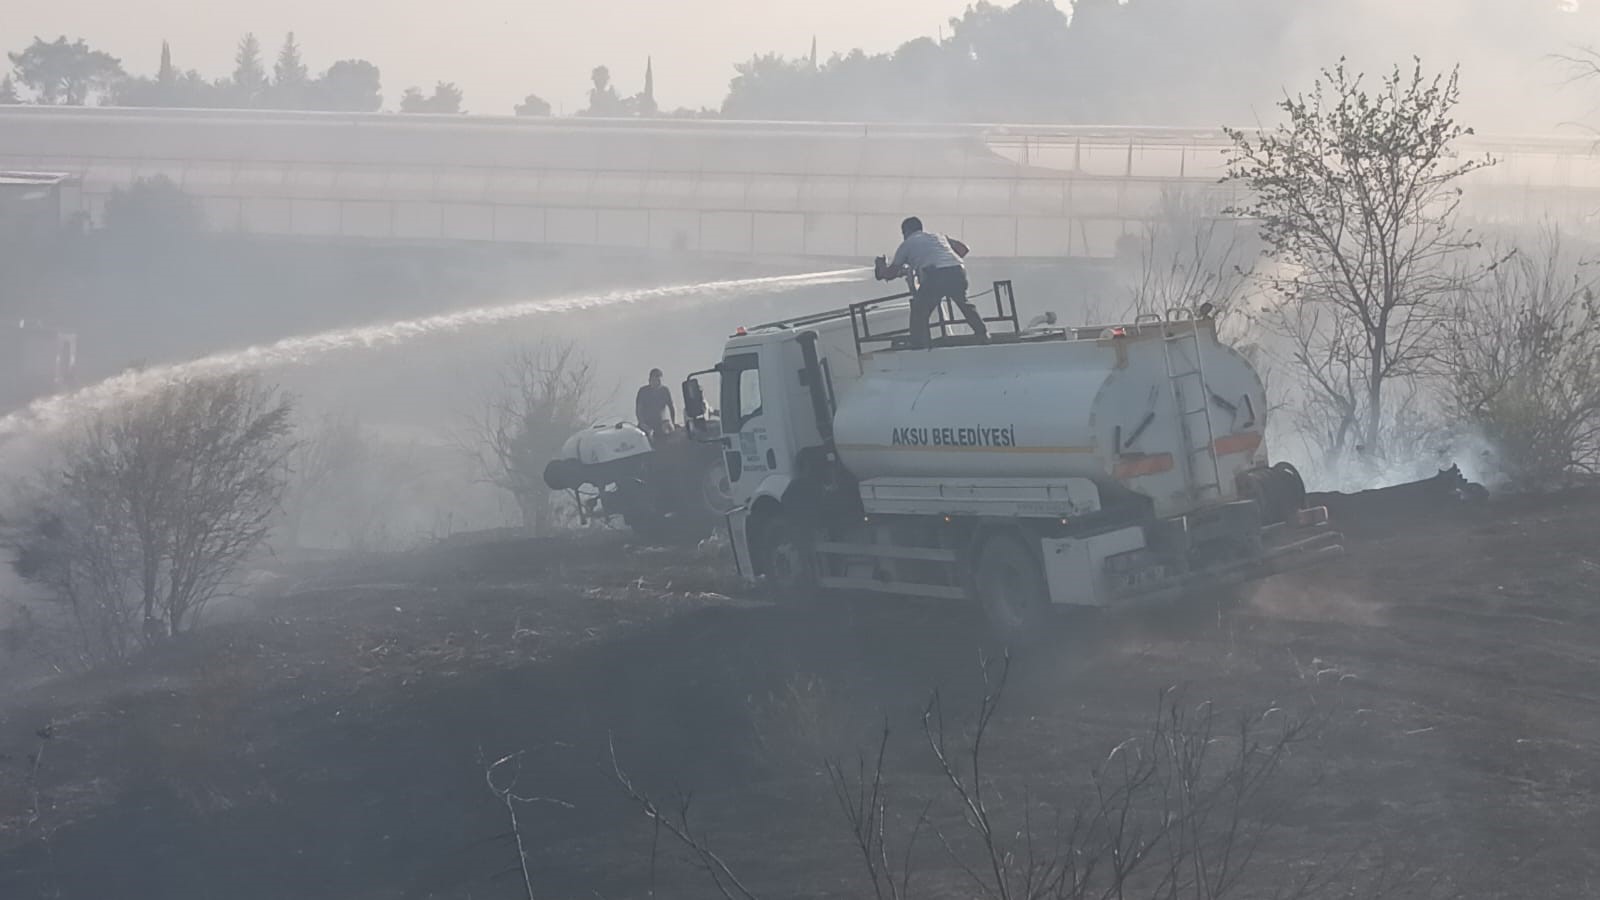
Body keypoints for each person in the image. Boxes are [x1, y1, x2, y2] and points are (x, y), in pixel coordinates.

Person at [875, 216, 989, 349]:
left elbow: (891, 273)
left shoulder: (907, 244)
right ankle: (983, 334)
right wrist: (947, 261)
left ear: (905, 232)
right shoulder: (937, 237)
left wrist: (881, 267)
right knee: (964, 304)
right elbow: (964, 249)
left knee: (919, 309)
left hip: (936, 275)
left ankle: (917, 343)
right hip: (957, 271)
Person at [635, 368, 675, 440]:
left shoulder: (664, 391)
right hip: (646, 423)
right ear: (650, 380)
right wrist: (642, 423)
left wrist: (673, 422)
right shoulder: (643, 391)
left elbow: (671, 407)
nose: (658, 382)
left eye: (659, 380)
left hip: (660, 423)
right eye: (656, 380)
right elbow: (639, 409)